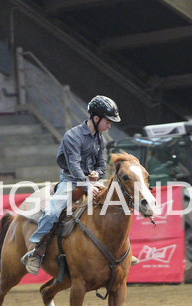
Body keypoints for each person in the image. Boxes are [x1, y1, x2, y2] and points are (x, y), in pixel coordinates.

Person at [22, 95, 138, 275]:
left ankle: (121, 250)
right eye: (108, 121)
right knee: (52, 212)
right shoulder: (72, 136)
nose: (110, 126)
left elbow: (101, 165)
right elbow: (74, 166)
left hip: (91, 181)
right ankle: (36, 251)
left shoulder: (100, 139)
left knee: (117, 205)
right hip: (70, 180)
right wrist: (87, 185)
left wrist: (96, 174)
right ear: (96, 118)